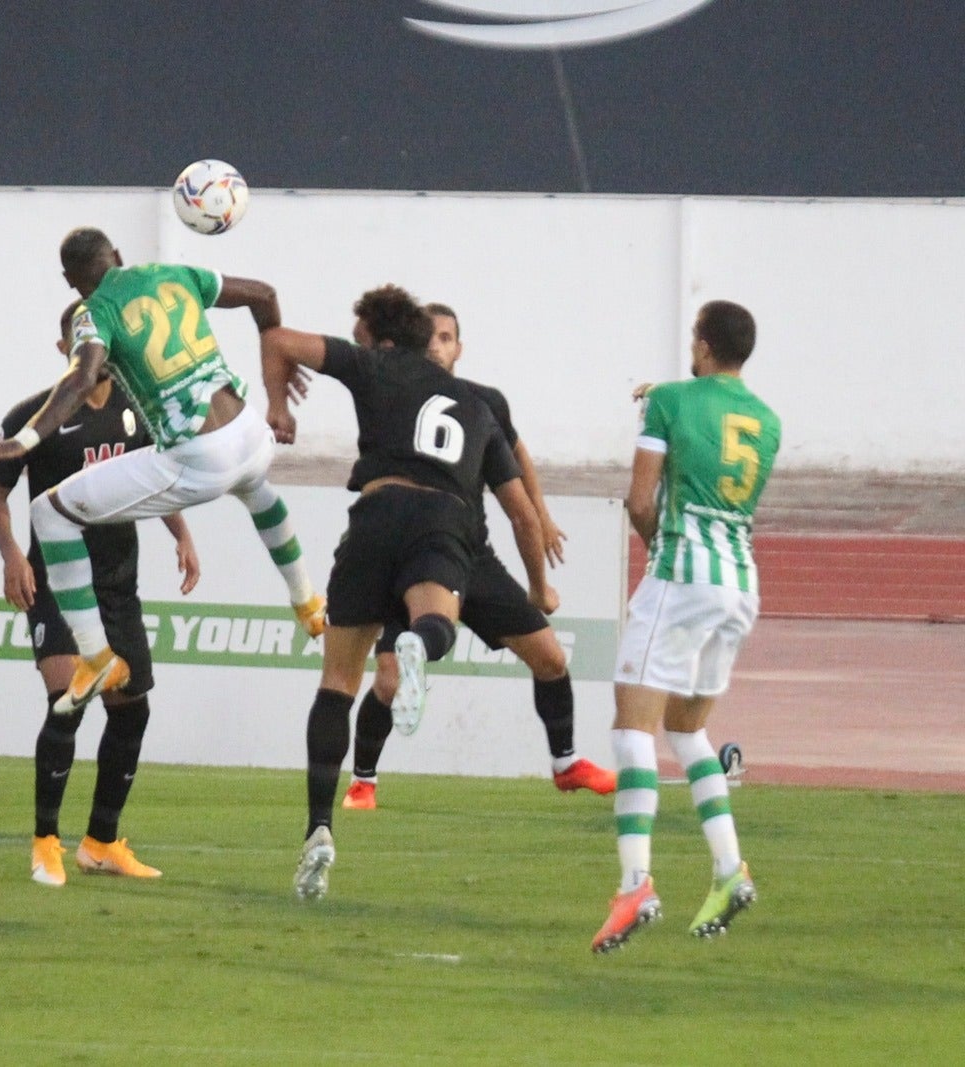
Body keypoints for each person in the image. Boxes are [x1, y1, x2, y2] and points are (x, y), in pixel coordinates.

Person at [260, 285, 553, 901]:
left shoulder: (374, 362)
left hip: (375, 513)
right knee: (434, 622)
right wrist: (538, 586)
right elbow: (523, 512)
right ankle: (423, 642)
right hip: (441, 519)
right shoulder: (477, 406)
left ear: (377, 331)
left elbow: (278, 339)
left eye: (360, 327)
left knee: (337, 684)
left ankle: (318, 829)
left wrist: (278, 406)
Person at [0, 227, 323, 715]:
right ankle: (306, 598)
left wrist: (25, 438)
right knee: (256, 489)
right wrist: (278, 386)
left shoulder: (97, 311)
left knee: (48, 514)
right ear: (116, 254)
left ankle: (95, 658)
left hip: (202, 456)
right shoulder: (173, 273)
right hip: (250, 433)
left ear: (72, 282)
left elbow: (80, 377)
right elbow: (264, 296)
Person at [341, 303, 614, 811]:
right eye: (431, 337)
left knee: (551, 658)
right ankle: (363, 782)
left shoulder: (482, 403)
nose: (436, 346)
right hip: (415, 550)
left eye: (447, 337)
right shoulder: (398, 394)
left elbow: (517, 465)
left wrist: (543, 518)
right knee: (388, 678)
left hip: (471, 553)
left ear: (459, 348)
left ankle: (566, 762)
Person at [0, 303, 201, 885]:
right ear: (65, 353)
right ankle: (45, 842)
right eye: (81, 343)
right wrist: (11, 556)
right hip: (56, 579)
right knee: (68, 700)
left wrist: (181, 534)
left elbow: (155, 477)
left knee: (132, 711)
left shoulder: (137, 409)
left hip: (116, 584)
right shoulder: (32, 417)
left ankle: (101, 843)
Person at [591, 300, 781, 953]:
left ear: (701, 343)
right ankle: (730, 870)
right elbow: (710, 436)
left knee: (631, 725)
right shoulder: (767, 420)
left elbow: (640, 500)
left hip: (683, 576)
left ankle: (635, 882)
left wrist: (660, 552)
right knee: (687, 728)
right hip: (740, 584)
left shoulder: (668, 401)